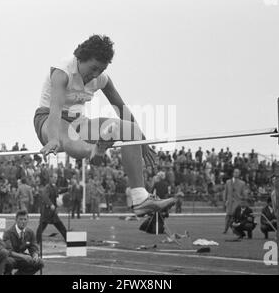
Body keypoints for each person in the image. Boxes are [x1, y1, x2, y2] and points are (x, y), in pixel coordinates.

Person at [34, 34, 176, 217]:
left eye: (100, 70)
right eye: (93, 68)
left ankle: (140, 198)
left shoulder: (102, 79)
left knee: (130, 129)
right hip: (49, 120)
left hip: (79, 122)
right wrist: (53, 139)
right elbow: (55, 110)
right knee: (67, 135)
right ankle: (93, 150)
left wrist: (142, 142)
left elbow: (122, 110)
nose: (95, 75)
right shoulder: (62, 72)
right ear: (80, 58)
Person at [3, 210, 44, 275]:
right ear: (16, 220)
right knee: (8, 262)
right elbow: (8, 251)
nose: (23, 221)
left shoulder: (30, 232)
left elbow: (34, 247)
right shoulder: (8, 232)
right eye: (21, 219)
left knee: (40, 262)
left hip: (22, 259)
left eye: (25, 219)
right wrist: (23, 256)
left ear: (28, 220)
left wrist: (35, 255)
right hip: (11, 258)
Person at [36, 174, 68, 245]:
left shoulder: (55, 187)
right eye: (54, 177)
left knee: (61, 227)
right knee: (41, 228)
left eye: (56, 177)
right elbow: (45, 196)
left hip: (53, 213)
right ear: (50, 178)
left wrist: (68, 188)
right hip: (46, 212)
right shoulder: (47, 187)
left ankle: (68, 241)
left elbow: (60, 190)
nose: (56, 179)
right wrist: (51, 204)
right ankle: (37, 242)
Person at [223, 168, 247, 233]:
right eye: (235, 172)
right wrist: (225, 200)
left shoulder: (242, 183)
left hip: (237, 203)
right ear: (233, 173)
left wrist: (241, 198)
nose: (236, 173)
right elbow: (225, 192)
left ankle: (235, 229)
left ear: (239, 174)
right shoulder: (228, 182)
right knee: (228, 216)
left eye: (237, 172)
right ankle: (225, 229)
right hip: (229, 202)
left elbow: (244, 194)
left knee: (234, 217)